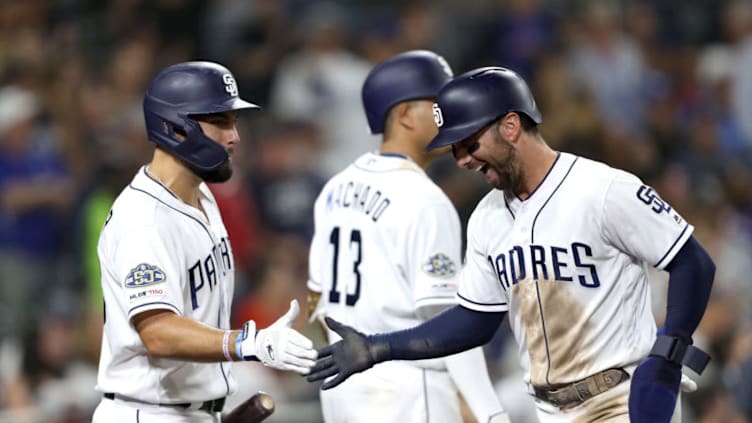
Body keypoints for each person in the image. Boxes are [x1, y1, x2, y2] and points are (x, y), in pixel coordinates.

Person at [307, 66, 716, 423]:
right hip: (548, 410)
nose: (462, 160)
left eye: (469, 143)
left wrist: (669, 349)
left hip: (619, 401)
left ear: (510, 126)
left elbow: (693, 262)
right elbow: (474, 320)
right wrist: (380, 347)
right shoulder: (487, 218)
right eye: (455, 150)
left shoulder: (604, 190)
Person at [91, 61, 317, 423]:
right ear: (175, 127)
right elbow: (158, 332)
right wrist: (248, 343)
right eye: (220, 122)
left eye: (235, 122)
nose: (234, 137)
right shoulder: (143, 221)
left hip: (193, 409)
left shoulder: (203, 195)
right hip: (149, 411)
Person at [306, 51, 509, 423]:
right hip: (409, 391)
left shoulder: (334, 187)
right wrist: (488, 411)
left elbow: (314, 302)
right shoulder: (424, 199)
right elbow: (450, 323)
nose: (449, 112)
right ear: (403, 116)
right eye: (437, 104)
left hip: (344, 388)